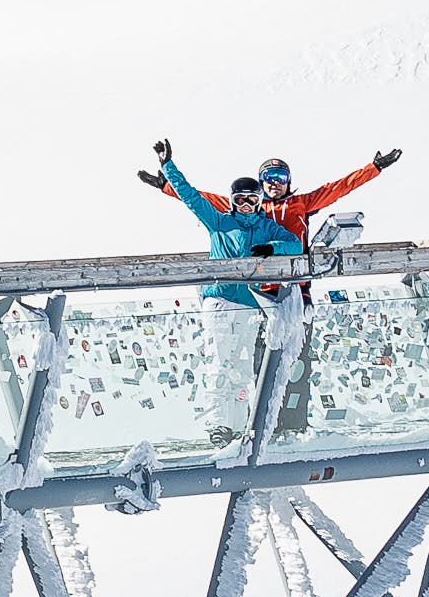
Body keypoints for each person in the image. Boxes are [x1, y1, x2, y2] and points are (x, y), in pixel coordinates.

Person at [137, 141, 306, 429]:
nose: (246, 205)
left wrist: (271, 248)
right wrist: (168, 166)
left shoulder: (266, 228)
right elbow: (191, 197)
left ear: (258, 200)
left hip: (249, 304)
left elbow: (294, 243)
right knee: (220, 362)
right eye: (240, 200)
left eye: (252, 200)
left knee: (240, 367)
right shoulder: (219, 222)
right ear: (232, 201)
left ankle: (239, 425)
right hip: (219, 300)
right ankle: (218, 425)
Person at [247, 149, 403, 248]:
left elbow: (338, 188)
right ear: (261, 182)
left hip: (296, 276)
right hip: (260, 277)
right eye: (269, 177)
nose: (275, 182)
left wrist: (374, 167)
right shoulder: (248, 206)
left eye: (281, 177)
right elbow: (222, 206)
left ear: (288, 182)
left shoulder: (301, 203)